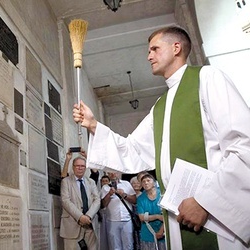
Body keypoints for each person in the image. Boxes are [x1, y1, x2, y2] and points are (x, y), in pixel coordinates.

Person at [73, 26, 250, 249]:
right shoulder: (160, 106)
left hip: (214, 219)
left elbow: (244, 146)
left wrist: (207, 202)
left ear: (176, 48)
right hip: (178, 218)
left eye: (155, 49)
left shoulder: (207, 78)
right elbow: (133, 150)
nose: (149, 56)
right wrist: (93, 125)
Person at [60, 156, 101, 250]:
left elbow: (97, 200)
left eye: (82, 166)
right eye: (77, 165)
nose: (80, 168)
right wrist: (80, 217)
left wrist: (88, 216)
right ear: (73, 167)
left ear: (85, 167)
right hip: (72, 226)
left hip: (90, 226)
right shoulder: (66, 182)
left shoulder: (91, 182)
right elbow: (65, 201)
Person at [101, 171, 137, 249]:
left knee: (129, 245)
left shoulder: (126, 184)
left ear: (119, 173)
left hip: (127, 220)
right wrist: (109, 194)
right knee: (114, 246)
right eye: (110, 173)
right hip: (112, 221)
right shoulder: (105, 187)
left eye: (115, 172)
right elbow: (103, 204)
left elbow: (134, 200)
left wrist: (124, 195)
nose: (113, 174)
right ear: (108, 174)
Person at [137, 173, 165, 250]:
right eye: (143, 181)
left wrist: (161, 231)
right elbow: (142, 217)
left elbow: (167, 216)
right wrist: (158, 216)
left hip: (164, 233)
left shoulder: (162, 195)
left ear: (154, 183)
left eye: (148, 180)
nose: (146, 183)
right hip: (147, 234)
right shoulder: (140, 199)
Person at [99, 175, 110, 250]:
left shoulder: (111, 189)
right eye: (103, 181)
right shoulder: (100, 190)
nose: (105, 183)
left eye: (106, 181)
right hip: (103, 214)